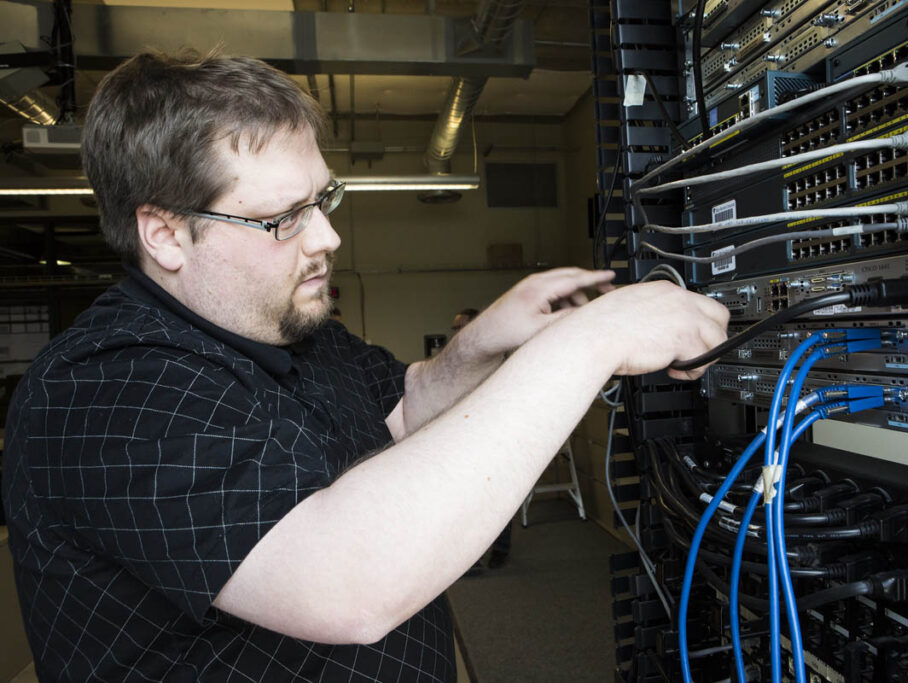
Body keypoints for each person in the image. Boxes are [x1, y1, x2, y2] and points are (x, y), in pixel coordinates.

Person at [1, 50, 729, 682]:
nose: (328, 235)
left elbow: (407, 406)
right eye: (283, 217)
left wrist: (488, 343)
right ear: (164, 233)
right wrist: (592, 340)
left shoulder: (290, 326)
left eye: (323, 199)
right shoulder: (104, 388)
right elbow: (347, 583)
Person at [450, 307, 511, 570]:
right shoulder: (455, 359)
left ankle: (500, 549)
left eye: (460, 326)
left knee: (498, 498)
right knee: (467, 501)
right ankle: (471, 557)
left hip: (494, 436)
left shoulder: (494, 354)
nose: (455, 332)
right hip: (464, 437)